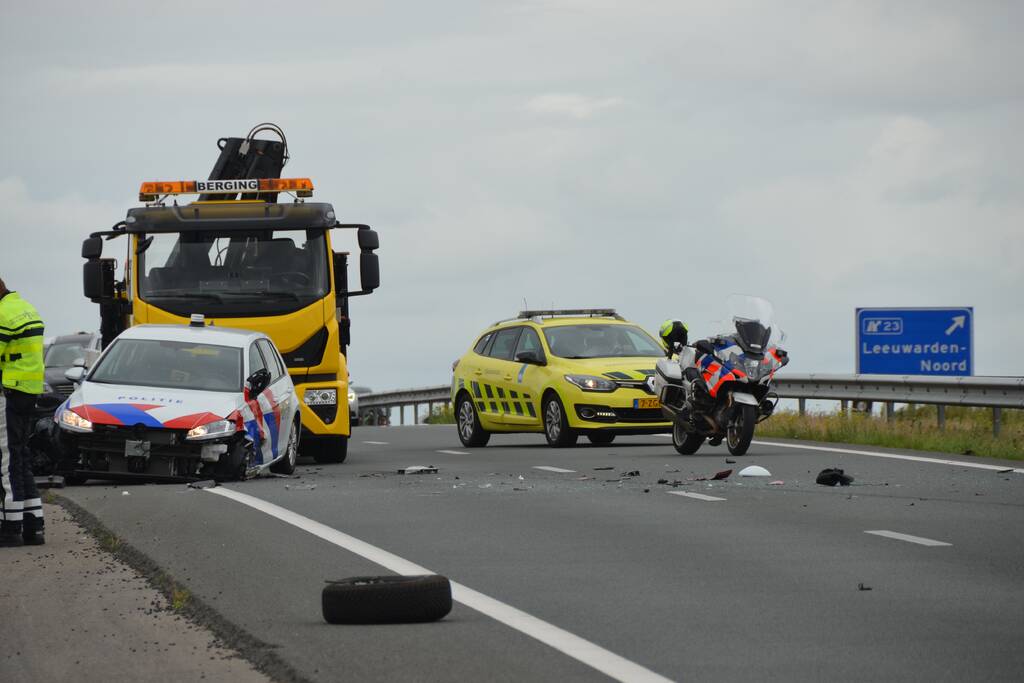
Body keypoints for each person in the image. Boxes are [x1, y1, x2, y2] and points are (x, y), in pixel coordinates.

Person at [0, 276, 46, 546]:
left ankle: (10, 528)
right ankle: (33, 525)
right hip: (28, 389)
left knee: (7, 461)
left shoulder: (3, 314)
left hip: (10, 390)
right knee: (21, 456)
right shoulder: (23, 306)